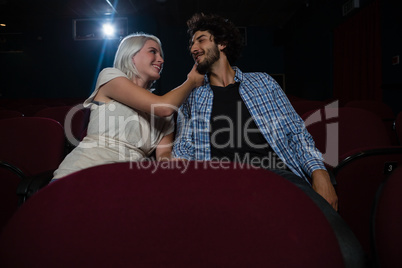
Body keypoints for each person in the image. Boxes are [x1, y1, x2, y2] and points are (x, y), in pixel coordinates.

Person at [173, 13, 365, 267]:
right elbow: (182, 151)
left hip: (280, 178)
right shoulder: (192, 96)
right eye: (191, 45)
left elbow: (296, 131)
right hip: (222, 186)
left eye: (200, 40)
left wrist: (320, 173)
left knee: (347, 255)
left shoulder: (263, 82)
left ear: (221, 43)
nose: (193, 49)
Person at [52, 33, 204, 180]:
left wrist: (170, 162)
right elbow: (163, 107)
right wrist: (191, 81)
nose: (161, 60)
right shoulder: (110, 77)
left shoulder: (166, 114)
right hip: (84, 170)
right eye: (153, 52)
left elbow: (163, 154)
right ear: (132, 55)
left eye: (161, 55)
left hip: (128, 179)